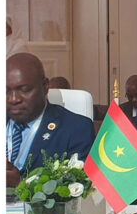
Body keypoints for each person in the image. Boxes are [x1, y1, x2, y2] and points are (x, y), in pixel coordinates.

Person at [6, 53, 94, 187]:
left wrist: (20, 185)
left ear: (45, 86)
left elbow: (78, 188)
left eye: (24, 90)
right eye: (6, 91)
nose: (14, 99)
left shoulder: (76, 129)